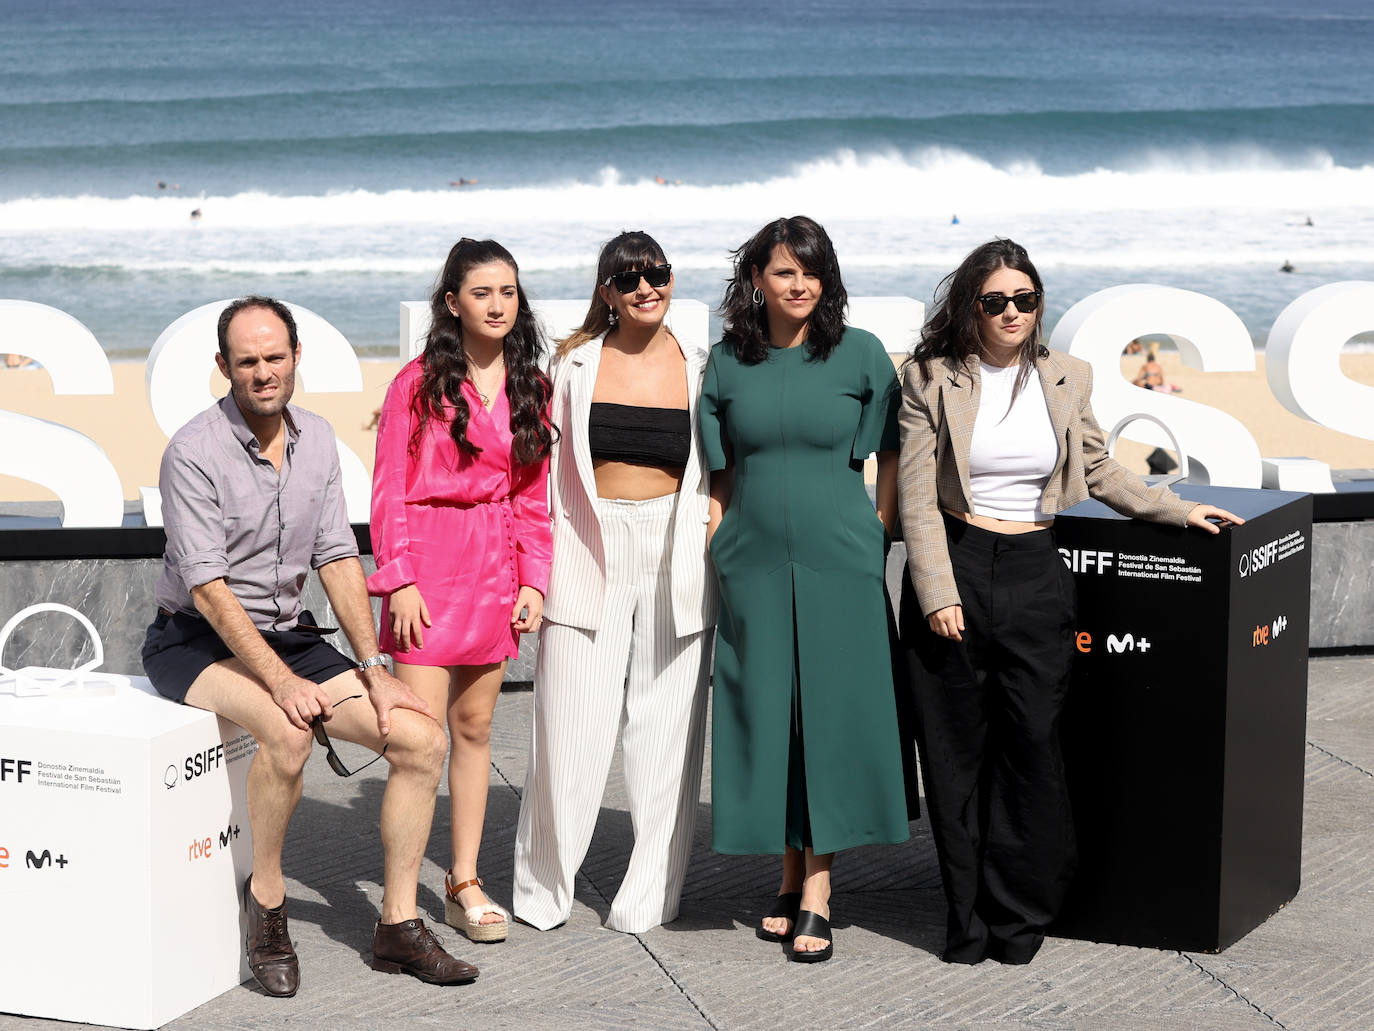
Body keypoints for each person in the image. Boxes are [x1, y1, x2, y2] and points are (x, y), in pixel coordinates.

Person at [897, 239, 1244, 965]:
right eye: (995, 301)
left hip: (1034, 570)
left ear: (1039, 302)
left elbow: (1095, 464)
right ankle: (966, 921)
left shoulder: (1066, 375)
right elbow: (917, 496)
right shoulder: (930, 378)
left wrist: (1175, 510)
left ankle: (1018, 913)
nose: (1012, 312)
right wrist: (936, 591)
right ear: (971, 306)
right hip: (957, 564)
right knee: (956, 757)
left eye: (1025, 299)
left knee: (1030, 746)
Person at [141, 295, 478, 994]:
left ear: (296, 357)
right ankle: (266, 902)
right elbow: (208, 588)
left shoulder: (319, 439)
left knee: (421, 735)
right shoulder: (193, 452)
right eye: (248, 361)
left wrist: (374, 665)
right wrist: (282, 685)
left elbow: (337, 557)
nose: (264, 372)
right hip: (193, 639)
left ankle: (396, 925)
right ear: (222, 367)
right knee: (286, 733)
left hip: (290, 635)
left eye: (275, 357)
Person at [701, 215, 918, 963]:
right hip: (752, 560)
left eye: (812, 271)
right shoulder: (728, 360)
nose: (799, 285)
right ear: (755, 278)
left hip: (840, 557)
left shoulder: (858, 354)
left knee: (830, 718)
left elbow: (893, 452)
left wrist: (879, 530)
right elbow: (718, 471)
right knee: (770, 717)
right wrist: (716, 545)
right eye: (784, 271)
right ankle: (788, 873)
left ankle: (819, 888)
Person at [512, 231, 716, 934]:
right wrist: (530, 572)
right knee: (567, 727)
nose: (644, 287)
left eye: (655, 273)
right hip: (585, 545)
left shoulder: (700, 361)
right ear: (606, 291)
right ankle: (543, 889)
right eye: (627, 279)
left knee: (667, 731)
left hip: (677, 547)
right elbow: (538, 474)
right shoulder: (573, 363)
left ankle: (648, 895)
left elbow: (722, 464)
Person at [368, 238, 553, 945]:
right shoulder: (415, 382)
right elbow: (386, 490)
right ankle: (399, 906)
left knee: (477, 731)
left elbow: (532, 499)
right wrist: (401, 579)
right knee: (420, 739)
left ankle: (463, 880)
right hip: (428, 566)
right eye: (483, 292)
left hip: (495, 568)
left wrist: (534, 579)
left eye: (508, 291)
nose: (499, 304)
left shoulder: (530, 385)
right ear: (452, 302)